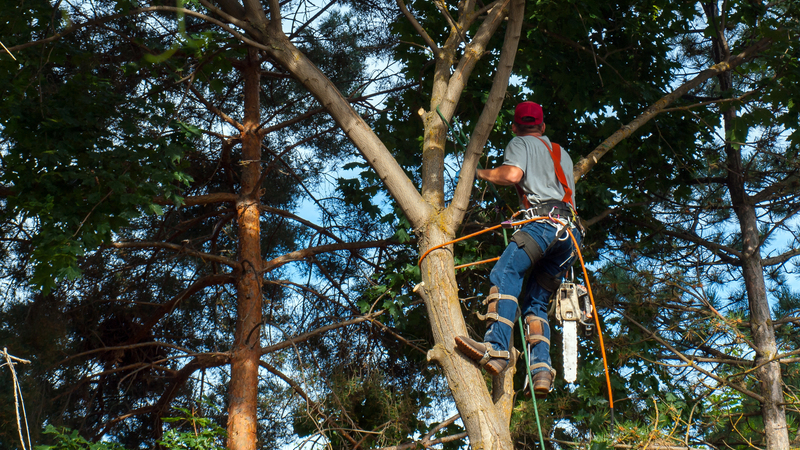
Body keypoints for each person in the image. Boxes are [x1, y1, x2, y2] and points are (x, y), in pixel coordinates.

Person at [455, 101, 582, 398]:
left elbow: (512, 175)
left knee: (506, 271)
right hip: (570, 237)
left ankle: (498, 349)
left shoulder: (519, 142)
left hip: (543, 226)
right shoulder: (561, 153)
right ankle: (541, 371)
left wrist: (481, 173)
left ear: (515, 126)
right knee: (536, 303)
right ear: (543, 127)